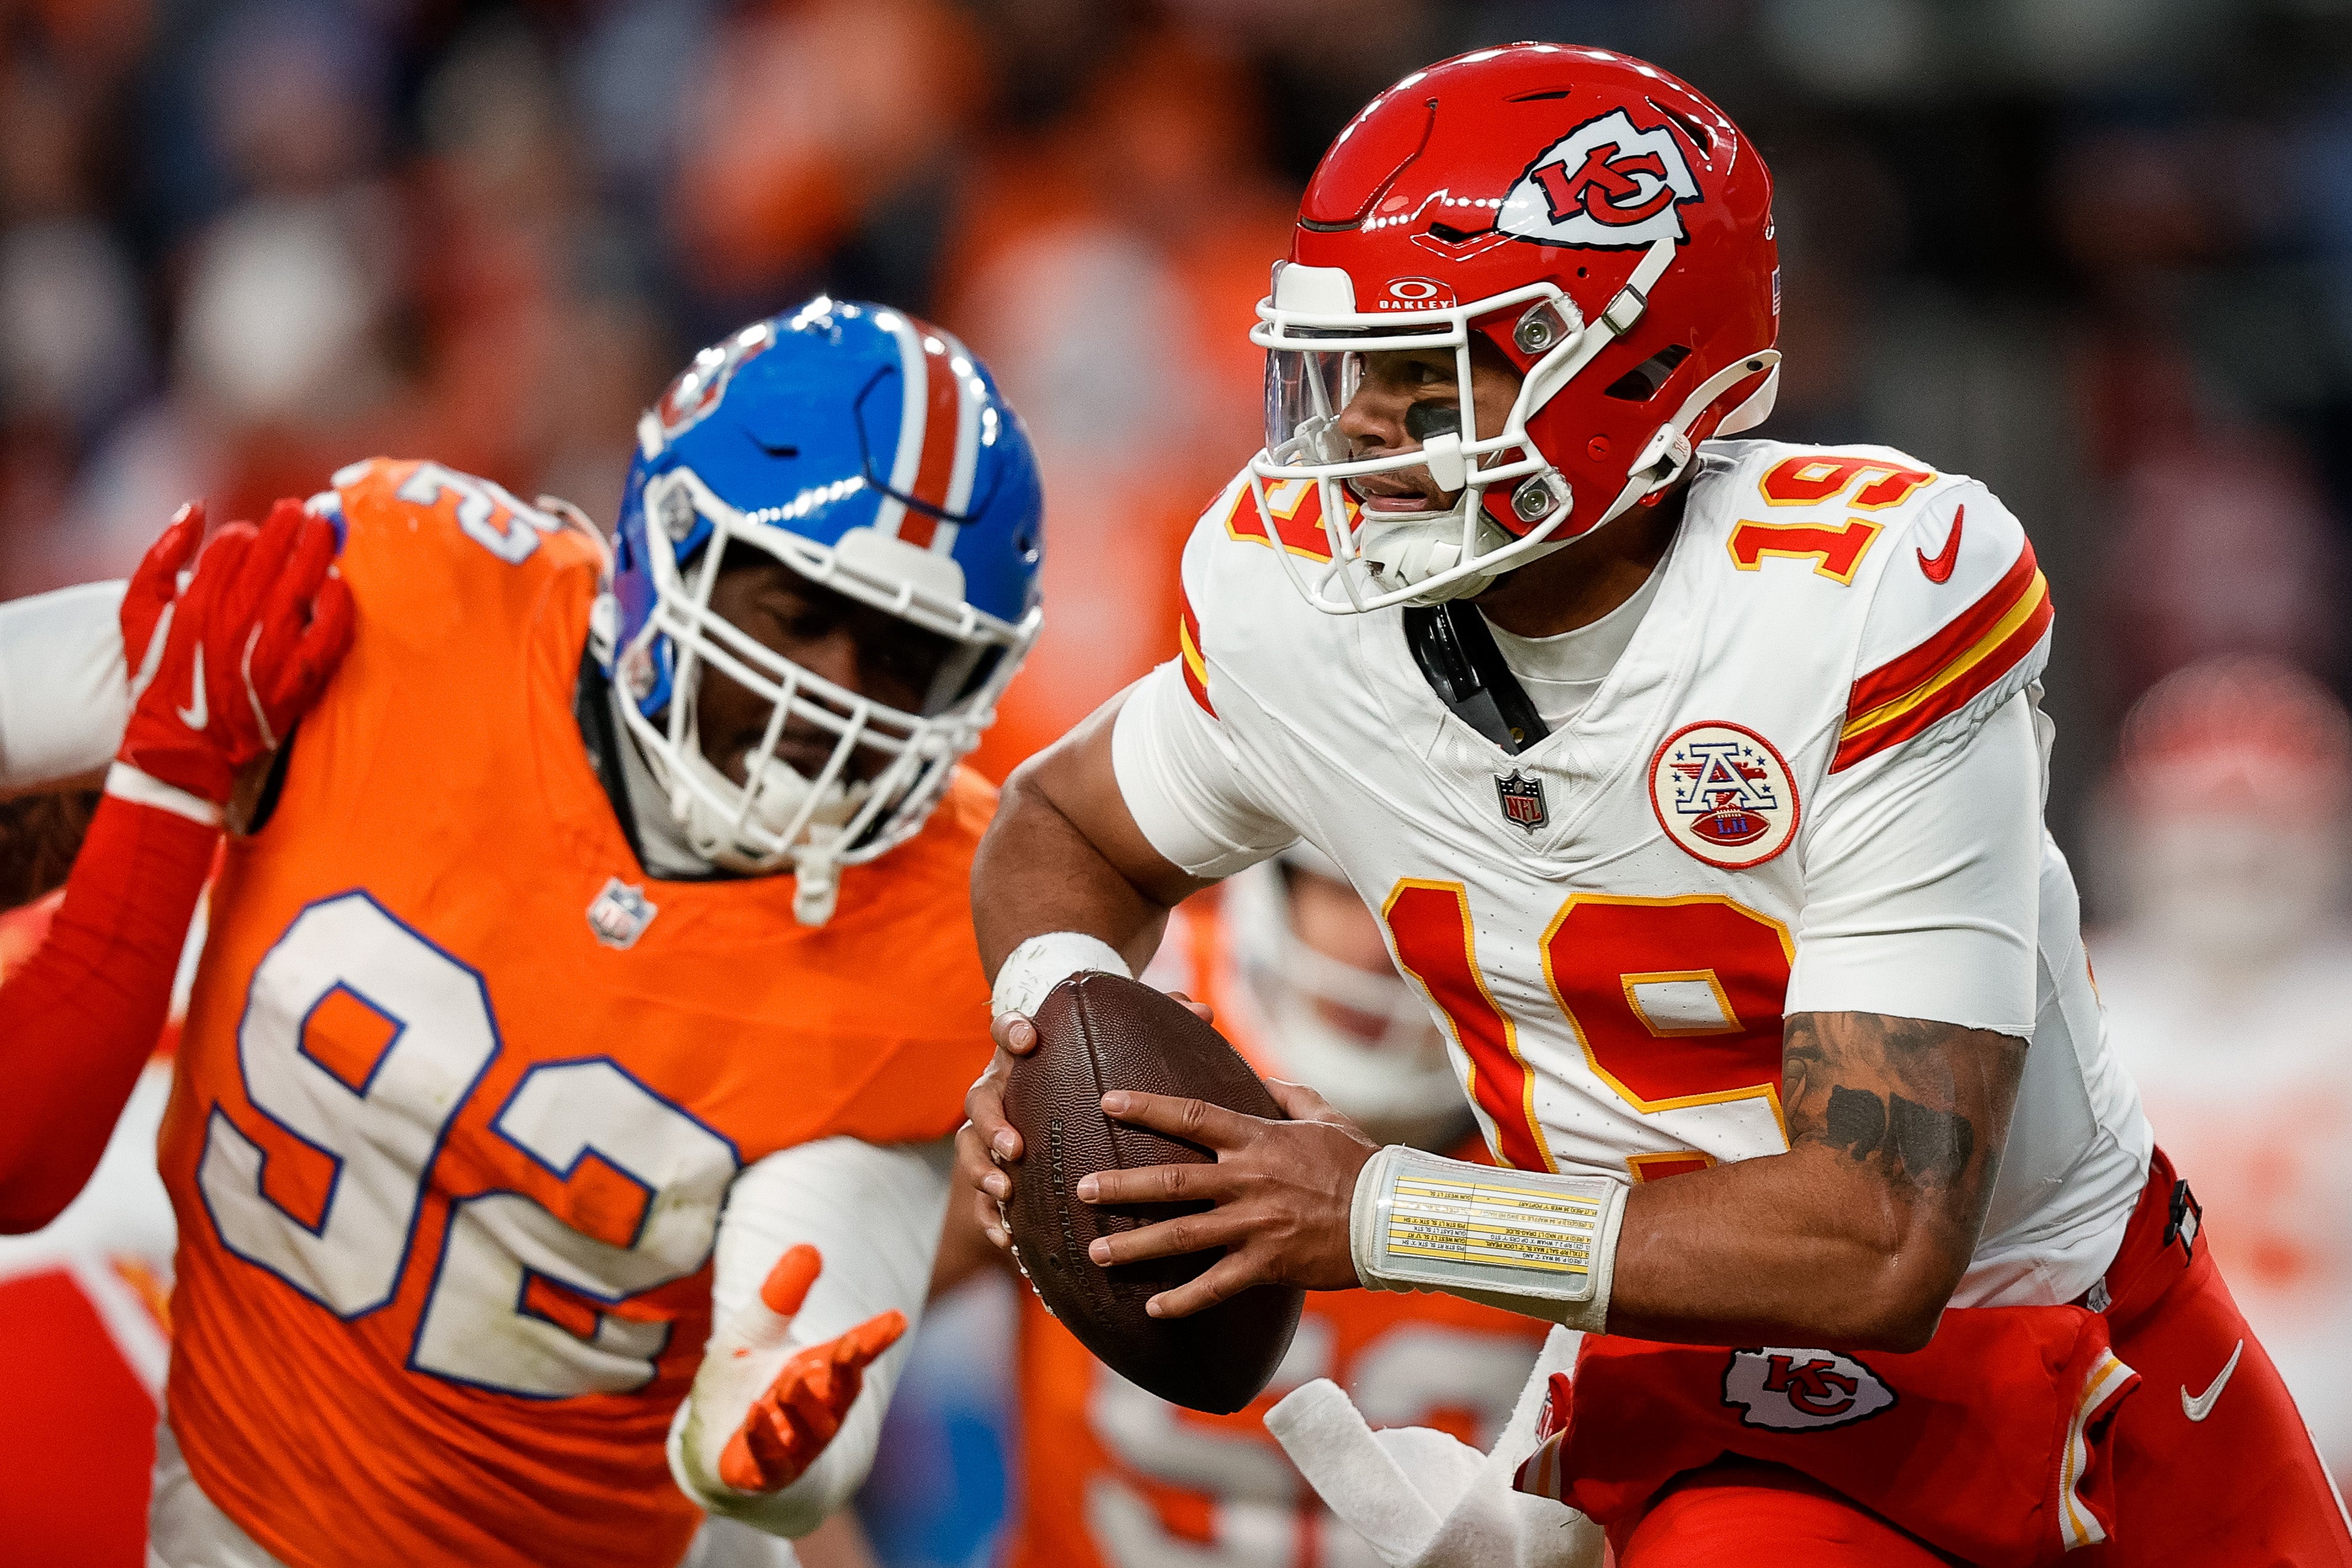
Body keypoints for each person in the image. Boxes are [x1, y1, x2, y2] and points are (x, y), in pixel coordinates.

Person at [954, 44, 2352, 1567]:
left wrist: (1377, 1209)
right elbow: (1058, 825)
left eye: (1433, 374)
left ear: (1639, 360)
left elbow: (1875, 1235)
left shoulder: (1859, 600)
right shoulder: (1301, 599)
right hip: (1693, 1391)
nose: (1356, 436)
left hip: (2057, 1327)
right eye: (1350, 374)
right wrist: (1061, 1039)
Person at [7, 297, 1045, 1568]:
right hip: (246, 1501)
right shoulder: (402, 594)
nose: (830, 696)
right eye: (792, 613)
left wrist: (781, 1427)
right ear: (663, 552)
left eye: (904, 657)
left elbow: (804, 1337)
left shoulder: (968, 909)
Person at [939, 847, 1552, 1567]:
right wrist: (1003, 1182)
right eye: (1347, 889)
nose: (1382, 944)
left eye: (1442, 899)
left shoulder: (1587, 1112)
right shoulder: (1124, 1035)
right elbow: (875, 1291)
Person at [2093, 656, 2352, 1481]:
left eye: (2269, 827)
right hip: (2119, 1480)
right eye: (2203, 824)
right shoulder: (2067, 1010)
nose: (2236, 849)